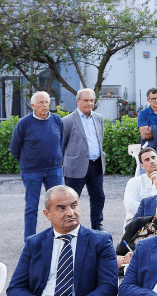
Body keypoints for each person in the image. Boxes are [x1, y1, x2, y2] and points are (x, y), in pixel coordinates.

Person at [10, 91, 64, 240]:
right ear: (33, 105)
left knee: (58, 204)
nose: (45, 105)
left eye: (47, 102)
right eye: (41, 102)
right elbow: (14, 148)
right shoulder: (24, 123)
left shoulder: (57, 120)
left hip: (54, 170)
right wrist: (28, 162)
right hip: (32, 171)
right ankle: (30, 239)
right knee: (32, 206)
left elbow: (60, 143)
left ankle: (59, 236)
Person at [62, 88, 106, 231]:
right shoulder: (67, 121)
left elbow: (100, 140)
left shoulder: (98, 118)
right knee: (71, 201)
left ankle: (97, 229)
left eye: (92, 100)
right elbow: (61, 146)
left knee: (99, 198)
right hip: (75, 167)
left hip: (96, 165)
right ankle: (69, 228)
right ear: (78, 101)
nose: (89, 103)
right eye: (86, 100)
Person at [124, 147, 157, 225]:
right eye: (147, 160)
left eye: (153, 158)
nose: (152, 161)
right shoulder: (134, 182)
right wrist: (156, 210)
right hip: (137, 220)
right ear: (142, 166)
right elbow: (130, 205)